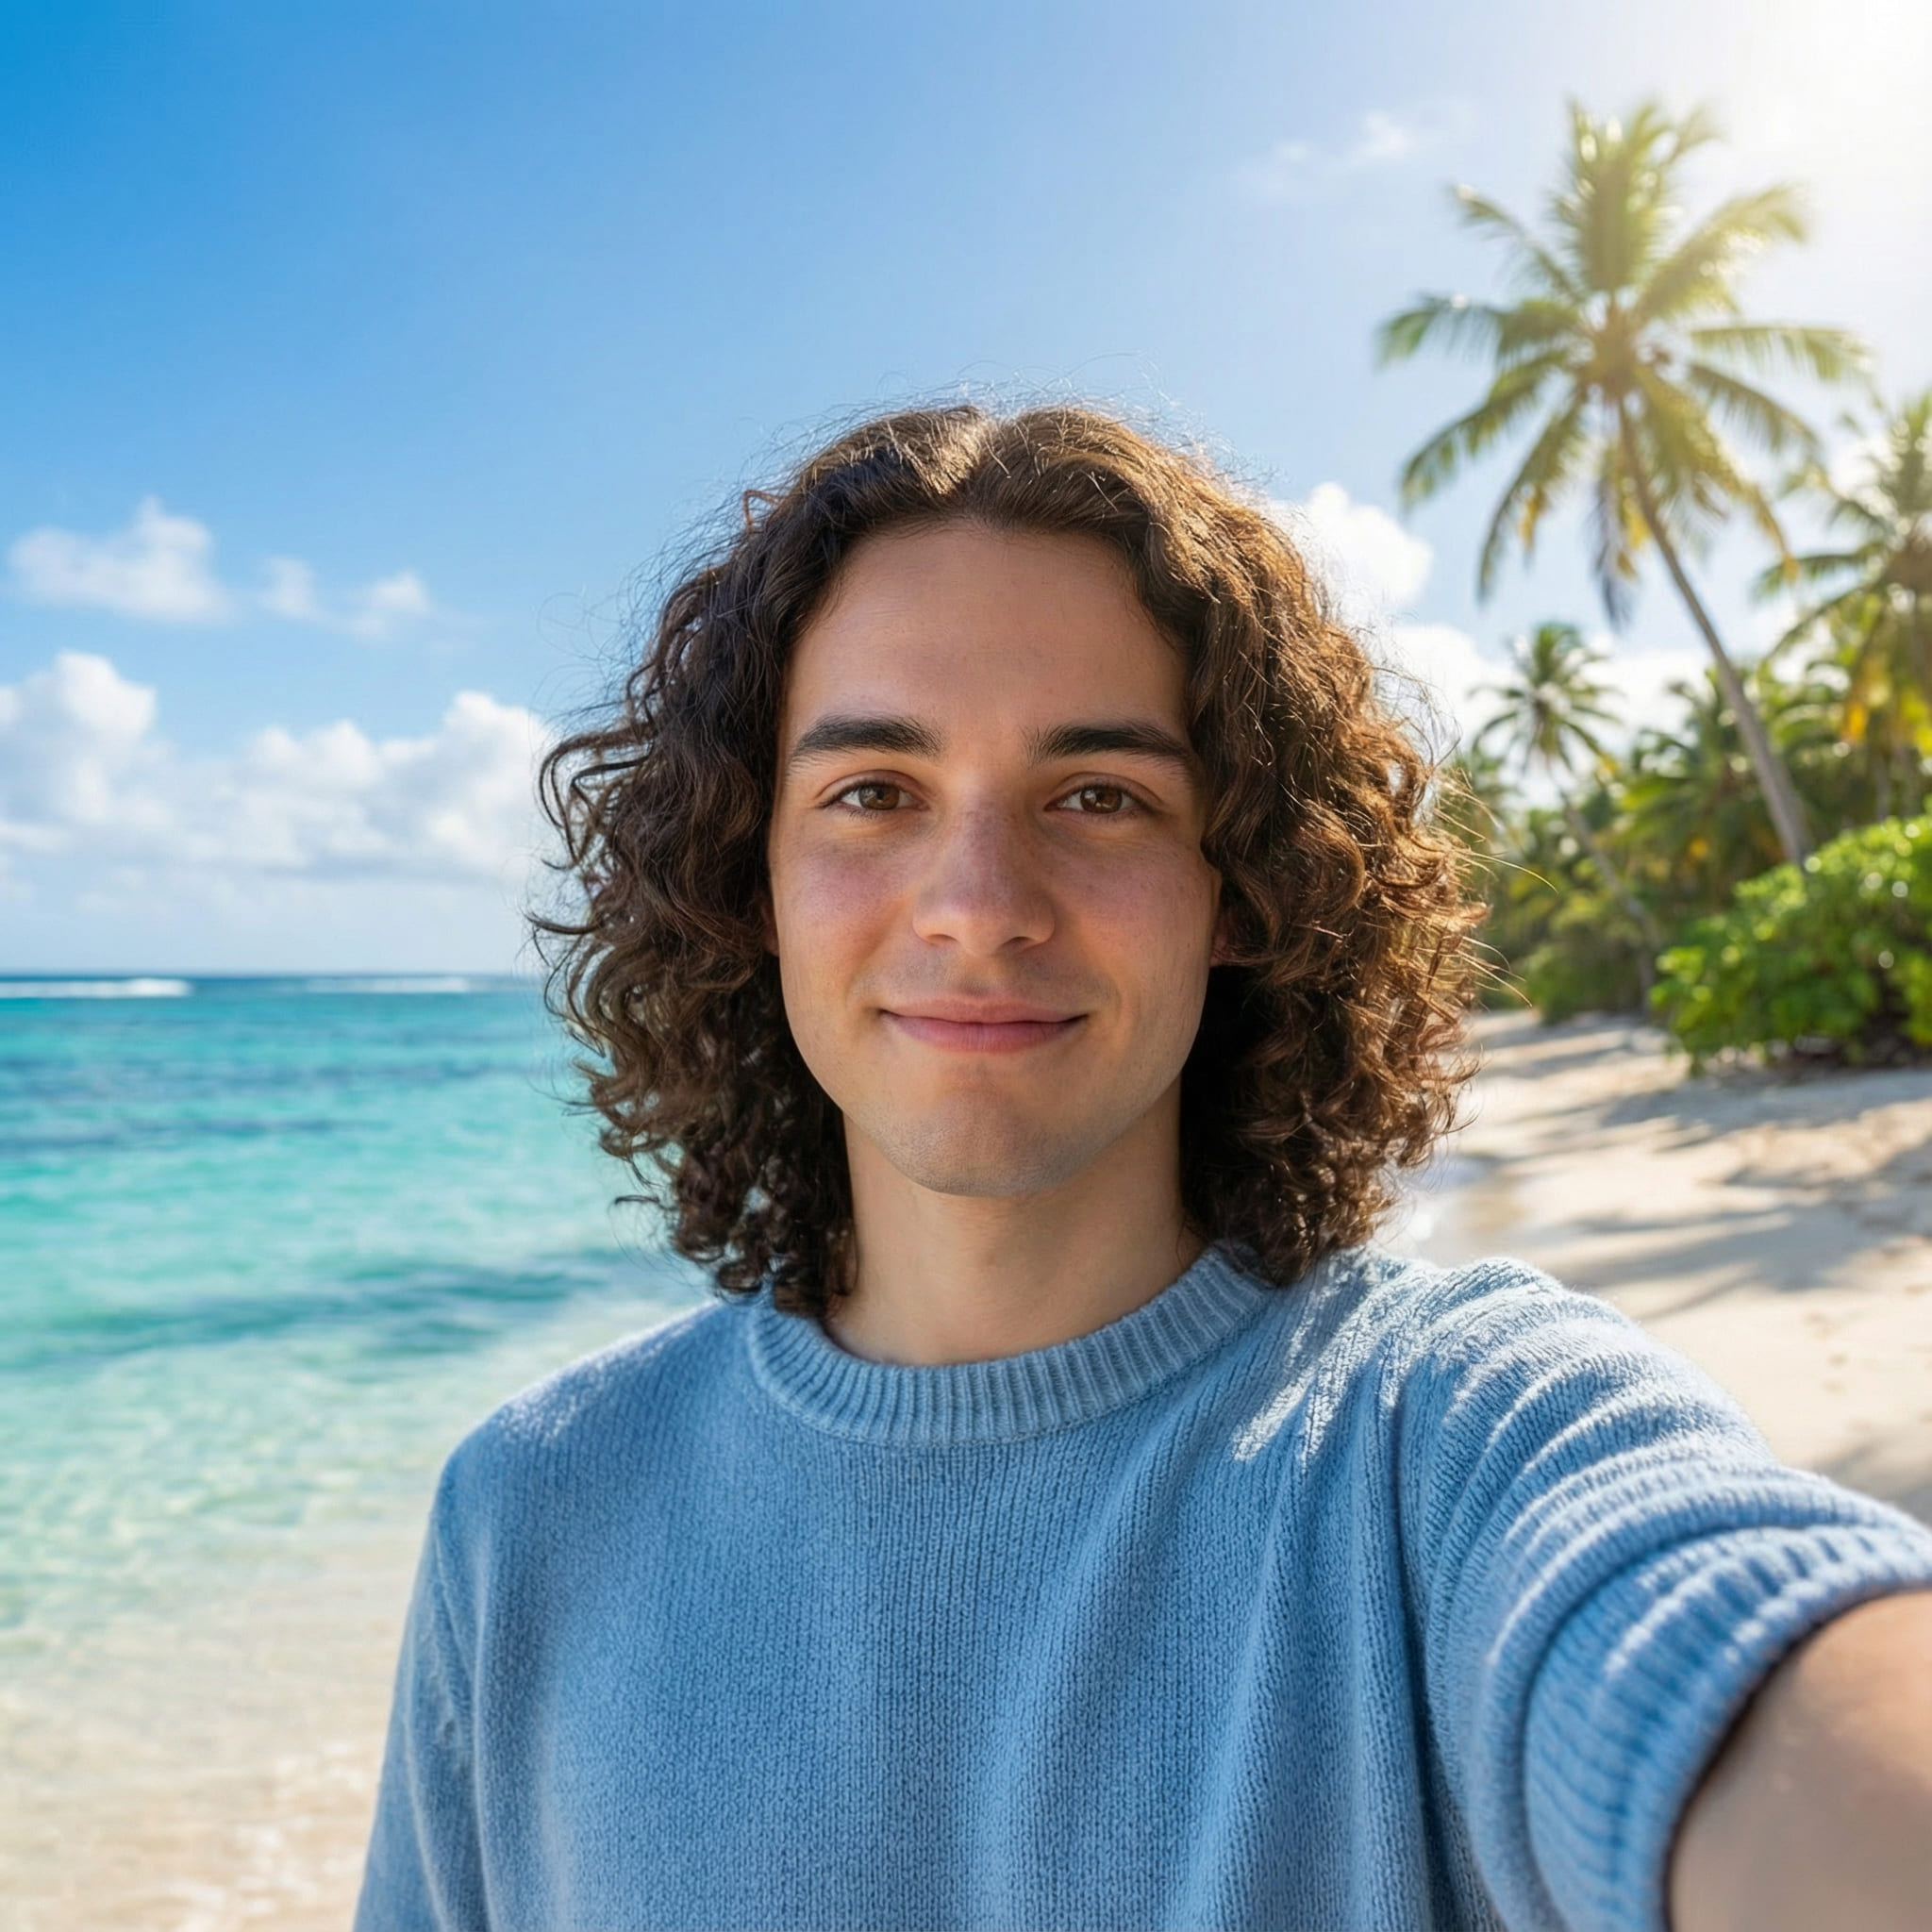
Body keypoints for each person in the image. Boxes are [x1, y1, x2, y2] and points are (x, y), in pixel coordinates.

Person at [358, 405, 1932, 1932]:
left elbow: (1740, 1647)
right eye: (873, 793)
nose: (978, 903)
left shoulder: (1448, 1442)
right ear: (748, 874)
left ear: (1237, 885)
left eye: (1099, 796)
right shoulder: (531, 1509)